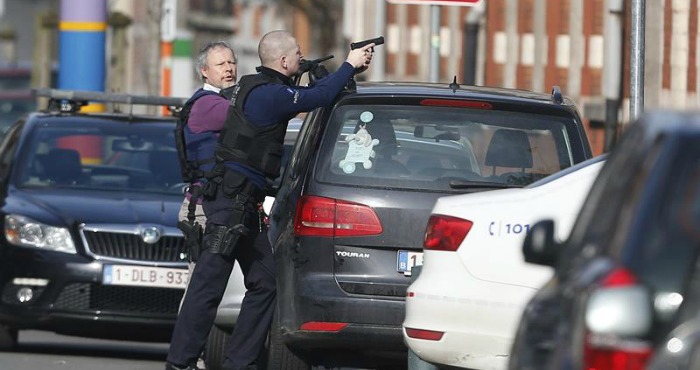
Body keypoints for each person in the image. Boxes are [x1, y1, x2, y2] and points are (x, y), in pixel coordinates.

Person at [165, 30, 374, 370]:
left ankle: (240, 362)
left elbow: (309, 94)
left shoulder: (264, 90)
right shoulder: (265, 95)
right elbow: (316, 97)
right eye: (297, 53)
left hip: (245, 205)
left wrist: (329, 75)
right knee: (208, 287)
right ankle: (180, 363)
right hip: (228, 204)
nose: (301, 56)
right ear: (283, 60)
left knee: (265, 282)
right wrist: (349, 64)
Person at [172, 40, 237, 368]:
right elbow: (249, 115)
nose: (229, 68)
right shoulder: (209, 105)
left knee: (204, 286)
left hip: (216, 205)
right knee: (199, 287)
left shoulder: (220, 101)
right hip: (203, 209)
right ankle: (187, 358)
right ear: (204, 71)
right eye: (221, 64)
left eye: (231, 62)